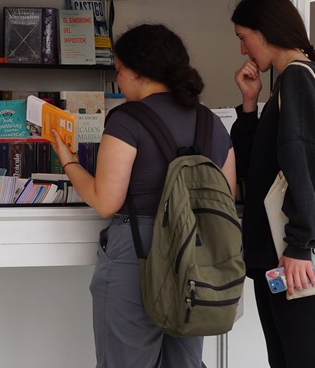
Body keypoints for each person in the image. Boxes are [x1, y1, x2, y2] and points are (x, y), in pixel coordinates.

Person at [49, 23, 237, 368]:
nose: (118, 82)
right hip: (196, 254)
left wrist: (68, 160)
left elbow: (106, 202)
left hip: (137, 251)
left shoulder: (126, 120)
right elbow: (226, 196)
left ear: (137, 72)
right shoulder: (212, 122)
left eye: (119, 71)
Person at [230, 0, 315, 368]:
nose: (243, 49)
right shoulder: (286, 83)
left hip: (288, 253)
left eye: (244, 38)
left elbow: (309, 162)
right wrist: (249, 105)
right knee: (285, 355)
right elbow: (257, 168)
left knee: (301, 357)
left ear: (263, 32)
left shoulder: (296, 78)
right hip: (276, 252)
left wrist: (298, 245)